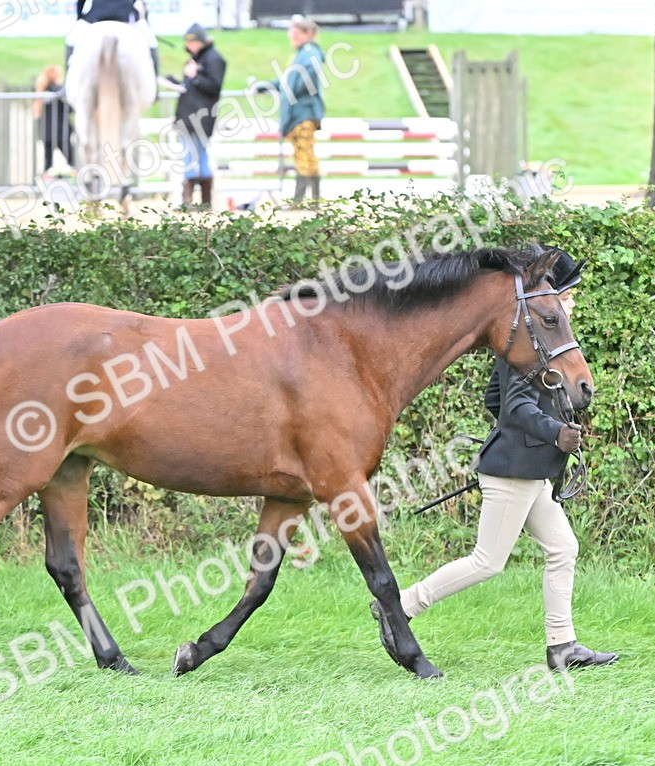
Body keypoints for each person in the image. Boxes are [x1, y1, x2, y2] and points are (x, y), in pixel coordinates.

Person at [372, 249, 618, 672]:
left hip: (531, 470)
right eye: (568, 294)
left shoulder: (541, 347)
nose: (570, 302)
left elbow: (495, 401)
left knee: (563, 548)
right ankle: (401, 606)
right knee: (487, 562)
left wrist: (537, 433)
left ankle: (562, 646)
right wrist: (551, 432)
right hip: (512, 474)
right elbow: (514, 409)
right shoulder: (525, 346)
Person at [262, 15, 324, 203]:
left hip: (303, 112)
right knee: (305, 154)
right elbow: (286, 80)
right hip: (299, 112)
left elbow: (301, 81)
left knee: (304, 155)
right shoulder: (301, 53)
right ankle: (313, 199)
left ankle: (301, 200)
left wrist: (290, 89)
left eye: (296, 33)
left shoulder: (310, 53)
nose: (292, 36)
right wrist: (266, 85)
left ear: (307, 34)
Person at [168, 23, 226, 209]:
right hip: (189, 115)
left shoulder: (213, 59)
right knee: (194, 155)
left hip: (200, 116)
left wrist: (194, 77)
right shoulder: (197, 58)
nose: (189, 45)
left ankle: (198, 201)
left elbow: (213, 87)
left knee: (195, 156)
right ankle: (200, 202)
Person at [65, 0, 158, 79]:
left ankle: (68, 84)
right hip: (127, 15)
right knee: (151, 42)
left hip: (97, 16)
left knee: (71, 39)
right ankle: (154, 83)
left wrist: (79, 17)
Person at [34, 65, 74, 174]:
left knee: (48, 162)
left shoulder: (41, 91)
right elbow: (70, 109)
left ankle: (47, 178)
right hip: (61, 130)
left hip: (47, 131)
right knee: (72, 159)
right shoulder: (59, 91)